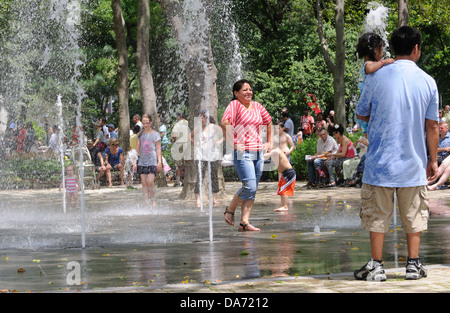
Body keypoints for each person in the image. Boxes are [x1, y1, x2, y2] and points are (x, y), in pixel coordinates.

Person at [355, 26, 439, 281]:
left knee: (377, 215)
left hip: (380, 162)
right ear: (416, 49)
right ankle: (413, 264)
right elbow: (432, 125)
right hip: (413, 162)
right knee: (414, 214)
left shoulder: (376, 76)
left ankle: (376, 265)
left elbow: (361, 113)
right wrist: (433, 160)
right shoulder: (427, 81)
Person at [221, 79, 273, 232]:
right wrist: (234, 144)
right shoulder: (235, 105)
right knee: (249, 186)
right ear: (236, 93)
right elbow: (224, 123)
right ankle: (230, 209)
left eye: (250, 89)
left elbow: (269, 121)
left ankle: (244, 222)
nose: (248, 92)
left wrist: (269, 142)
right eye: (244, 90)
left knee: (253, 188)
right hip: (242, 153)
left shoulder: (257, 106)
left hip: (258, 152)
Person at [355, 32, 395, 134]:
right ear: (375, 50)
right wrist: (384, 62)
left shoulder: (374, 64)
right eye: (381, 49)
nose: (382, 52)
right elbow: (369, 68)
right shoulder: (368, 64)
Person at [191, 111, 221, 208]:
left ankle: (214, 199)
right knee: (200, 177)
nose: (200, 120)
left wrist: (218, 142)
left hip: (213, 156)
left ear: (206, 118)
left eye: (201, 118)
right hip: (201, 156)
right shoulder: (198, 128)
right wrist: (196, 143)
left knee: (214, 177)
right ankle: (198, 200)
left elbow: (225, 134)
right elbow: (190, 136)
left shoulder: (213, 127)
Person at [134, 113, 162, 207]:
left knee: (150, 181)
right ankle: (146, 202)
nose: (145, 125)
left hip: (152, 161)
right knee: (144, 183)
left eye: (147, 123)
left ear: (151, 123)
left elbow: (158, 148)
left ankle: (153, 200)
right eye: (143, 123)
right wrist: (134, 162)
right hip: (142, 161)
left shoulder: (155, 134)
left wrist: (159, 162)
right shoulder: (140, 135)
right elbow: (137, 149)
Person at [264, 148, 296, 212]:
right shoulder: (276, 151)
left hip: (288, 173)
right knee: (281, 189)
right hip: (285, 173)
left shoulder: (276, 151)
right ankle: (283, 205)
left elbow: (265, 157)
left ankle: (284, 206)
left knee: (283, 190)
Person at [171, 111, 189, 187]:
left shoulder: (177, 124)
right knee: (185, 164)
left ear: (180, 116)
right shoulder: (188, 123)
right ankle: (185, 181)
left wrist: (174, 141)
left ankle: (178, 182)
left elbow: (174, 136)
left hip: (179, 145)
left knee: (178, 165)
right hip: (187, 145)